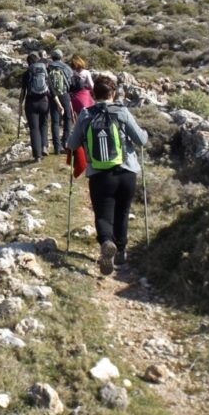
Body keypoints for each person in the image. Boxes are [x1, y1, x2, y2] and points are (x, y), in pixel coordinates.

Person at [66, 74, 148, 275]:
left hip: (100, 175)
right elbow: (141, 140)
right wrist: (144, 132)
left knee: (103, 214)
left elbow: (71, 144)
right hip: (126, 171)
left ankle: (106, 242)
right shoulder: (122, 112)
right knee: (122, 211)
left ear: (93, 94)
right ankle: (120, 254)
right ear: (112, 93)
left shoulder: (86, 114)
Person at [18, 52, 51, 163]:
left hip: (31, 103)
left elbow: (23, 90)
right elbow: (50, 87)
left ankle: (37, 156)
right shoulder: (44, 70)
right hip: (44, 101)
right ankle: (44, 146)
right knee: (44, 124)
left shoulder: (27, 73)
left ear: (28, 63)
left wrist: (20, 105)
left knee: (34, 128)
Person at [47, 49, 74, 154]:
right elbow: (71, 82)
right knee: (67, 118)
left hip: (52, 96)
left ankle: (57, 147)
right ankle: (66, 142)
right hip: (64, 95)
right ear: (61, 57)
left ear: (52, 57)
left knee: (55, 121)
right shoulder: (66, 67)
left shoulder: (48, 67)